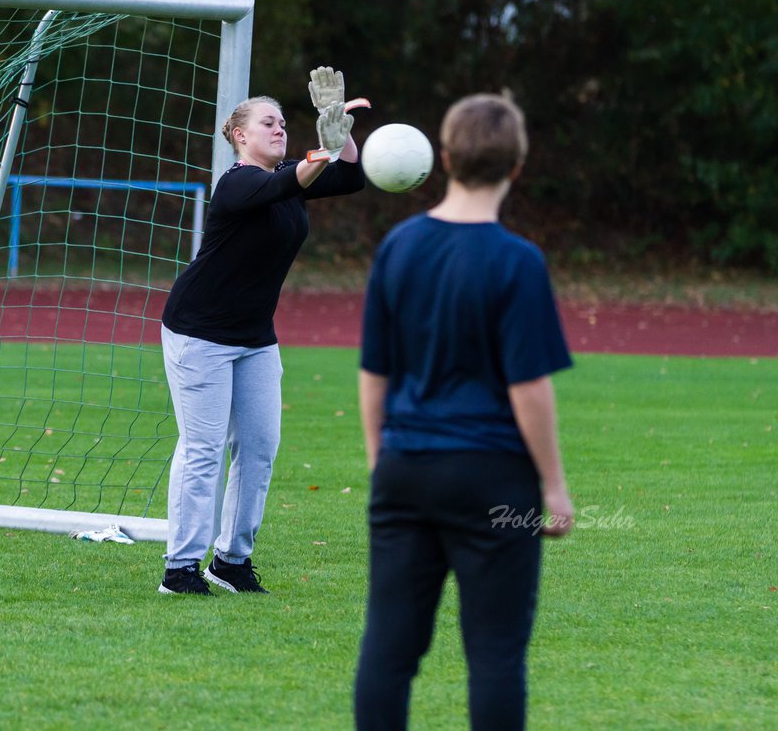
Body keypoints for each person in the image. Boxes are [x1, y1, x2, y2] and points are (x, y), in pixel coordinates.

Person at [354, 92, 574, 729]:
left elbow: (375, 372)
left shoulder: (399, 246)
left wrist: (381, 460)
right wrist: (553, 487)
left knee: (390, 650)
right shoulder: (518, 261)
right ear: (517, 168)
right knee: (496, 654)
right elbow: (528, 388)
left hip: (406, 469)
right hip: (494, 481)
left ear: (445, 158)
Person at [158, 67, 366, 596]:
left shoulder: (296, 178)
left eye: (282, 123)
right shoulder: (238, 183)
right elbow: (280, 182)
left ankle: (231, 562)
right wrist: (322, 150)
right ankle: (180, 570)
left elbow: (349, 177)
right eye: (267, 123)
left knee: (259, 449)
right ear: (239, 136)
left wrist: (335, 127)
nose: (279, 130)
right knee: (203, 449)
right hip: (199, 334)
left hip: (253, 338)